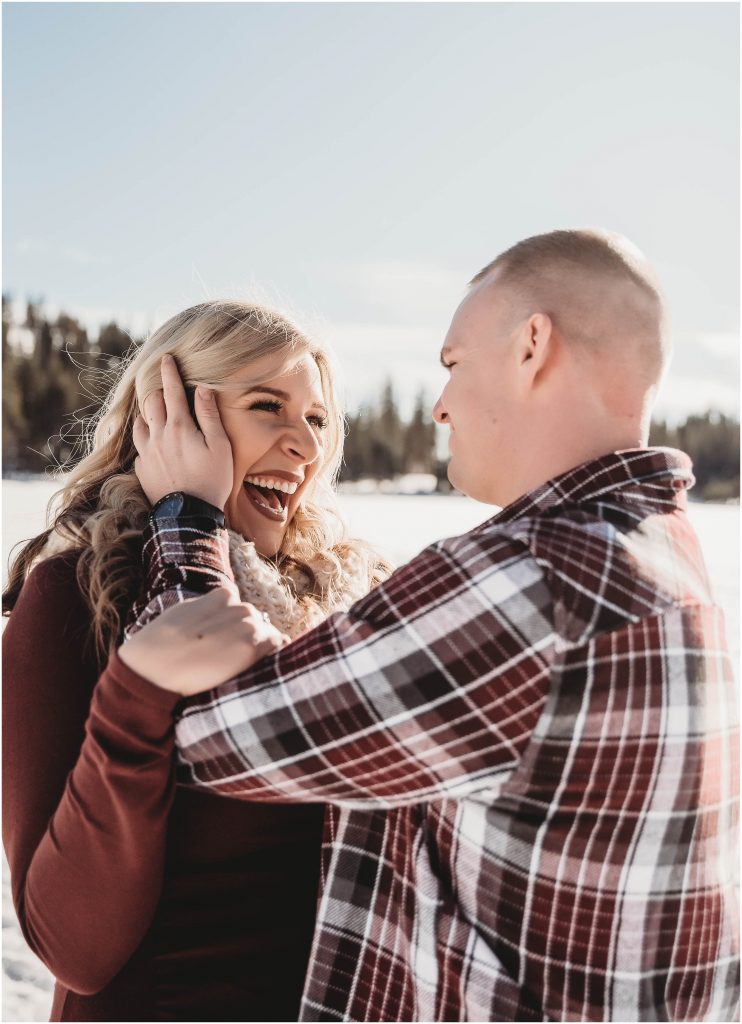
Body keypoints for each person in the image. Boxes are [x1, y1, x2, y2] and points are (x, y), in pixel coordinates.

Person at [115, 229, 739, 1023]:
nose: (440, 403)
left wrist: (187, 515)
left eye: (453, 364)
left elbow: (210, 730)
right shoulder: (676, 562)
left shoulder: (536, 580)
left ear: (532, 347)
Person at [2, 300, 389, 1022]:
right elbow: (74, 947)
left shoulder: (345, 603)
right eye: (267, 404)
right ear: (168, 412)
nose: (303, 445)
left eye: (316, 419)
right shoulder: (77, 599)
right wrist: (137, 701)